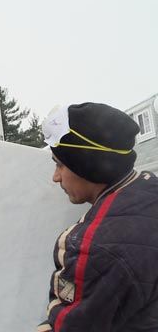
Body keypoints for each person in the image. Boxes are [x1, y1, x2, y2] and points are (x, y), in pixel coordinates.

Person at [38, 102, 158, 331]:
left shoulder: (93, 248)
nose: (55, 177)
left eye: (60, 164)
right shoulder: (149, 189)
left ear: (87, 164)